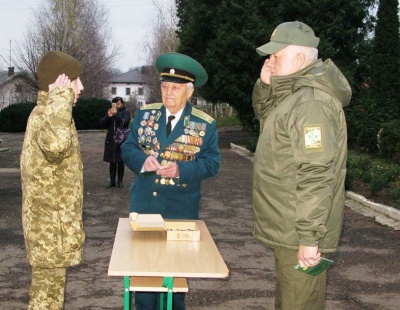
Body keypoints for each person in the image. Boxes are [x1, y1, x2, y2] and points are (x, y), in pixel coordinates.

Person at [251, 21, 352, 310]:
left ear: (298, 59)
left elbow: (316, 173)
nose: (269, 61)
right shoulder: (295, 96)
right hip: (290, 230)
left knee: (299, 304)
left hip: (299, 233)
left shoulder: (311, 103)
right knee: (291, 302)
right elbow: (269, 119)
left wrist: (309, 238)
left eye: (275, 56)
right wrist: (266, 86)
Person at [121, 52, 220, 310]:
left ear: (189, 92)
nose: (169, 93)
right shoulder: (145, 116)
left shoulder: (204, 125)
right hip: (143, 207)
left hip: (180, 210)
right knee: (143, 280)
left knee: (174, 285)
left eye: (176, 88)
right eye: (165, 87)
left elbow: (212, 163)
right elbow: (128, 146)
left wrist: (181, 170)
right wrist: (142, 161)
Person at [20, 51, 85, 309]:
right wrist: (60, 97)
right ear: (57, 83)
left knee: (50, 297)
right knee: (45, 300)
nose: (80, 87)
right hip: (50, 232)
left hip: (53, 231)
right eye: (74, 80)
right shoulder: (49, 115)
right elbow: (56, 147)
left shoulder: (53, 114)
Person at [100, 96, 131, 188]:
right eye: (114, 104)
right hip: (111, 139)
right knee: (112, 161)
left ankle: (120, 181)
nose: (116, 106)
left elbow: (124, 123)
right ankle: (112, 181)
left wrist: (116, 114)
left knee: (120, 161)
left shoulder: (125, 112)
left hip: (121, 140)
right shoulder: (110, 112)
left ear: (122, 104)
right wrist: (108, 116)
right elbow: (101, 123)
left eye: (118, 104)